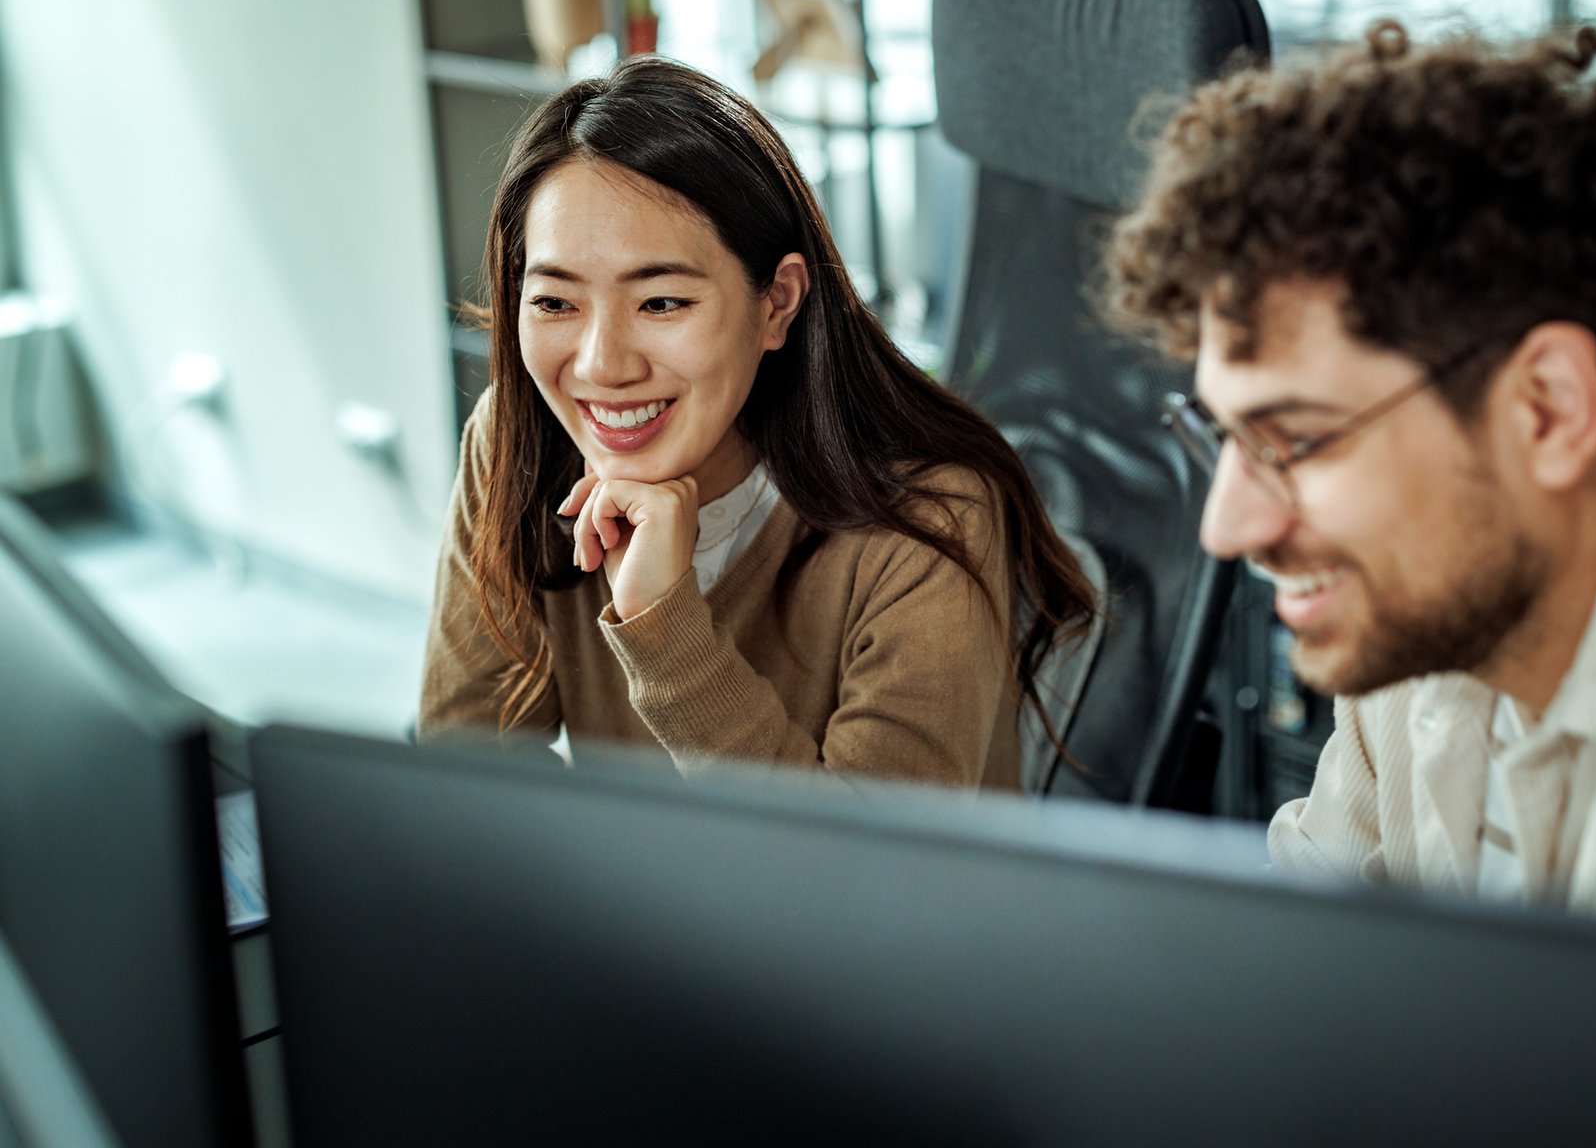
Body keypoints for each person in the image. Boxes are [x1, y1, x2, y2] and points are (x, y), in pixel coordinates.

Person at [1103, 20, 1596, 950]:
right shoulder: (1443, 590)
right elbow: (1304, 979)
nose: (1228, 527)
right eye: (1224, 436)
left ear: (1549, 411)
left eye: (1295, 440)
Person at [419, 55, 1093, 789]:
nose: (601, 365)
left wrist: (661, 626)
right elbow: (463, 774)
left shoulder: (929, 518)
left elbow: (865, 881)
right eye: (555, 302)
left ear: (777, 302)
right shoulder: (521, 439)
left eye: (662, 303)